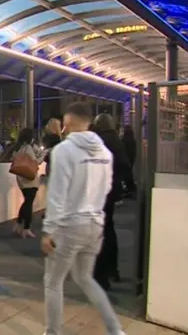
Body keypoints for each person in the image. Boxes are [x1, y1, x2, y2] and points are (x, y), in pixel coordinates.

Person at [41, 102, 125, 335]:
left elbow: (57, 194)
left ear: (68, 125)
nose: (64, 131)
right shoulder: (105, 153)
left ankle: (53, 332)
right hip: (95, 224)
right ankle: (116, 330)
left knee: (53, 281)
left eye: (65, 126)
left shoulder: (64, 151)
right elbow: (106, 187)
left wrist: (49, 230)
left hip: (69, 225)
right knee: (85, 278)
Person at [91, 114, 130, 289]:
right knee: (109, 228)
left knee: (100, 231)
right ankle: (113, 270)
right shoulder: (117, 141)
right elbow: (125, 165)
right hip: (112, 190)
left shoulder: (98, 141)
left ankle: (101, 275)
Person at [11, 128, 45, 238]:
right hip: (29, 179)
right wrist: (44, 154)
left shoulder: (18, 147)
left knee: (26, 202)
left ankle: (18, 224)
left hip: (21, 178)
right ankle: (26, 228)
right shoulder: (29, 148)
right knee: (28, 203)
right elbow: (36, 162)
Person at [121, 125, 137, 196]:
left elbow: (123, 150)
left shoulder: (125, 140)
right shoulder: (132, 139)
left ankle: (130, 189)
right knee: (128, 174)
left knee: (126, 174)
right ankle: (130, 189)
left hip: (126, 159)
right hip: (130, 159)